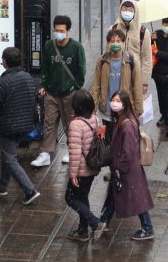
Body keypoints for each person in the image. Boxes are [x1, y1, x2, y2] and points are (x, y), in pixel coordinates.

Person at [0, 47, 40, 204]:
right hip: (25, 123)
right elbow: (33, 101)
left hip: (8, 126)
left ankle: (30, 190)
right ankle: (2, 185)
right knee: (8, 155)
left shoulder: (2, 83)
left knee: (10, 158)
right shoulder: (28, 77)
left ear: (5, 62)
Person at [32, 15, 86, 168]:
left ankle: (72, 150)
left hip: (69, 93)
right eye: (56, 30)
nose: (59, 33)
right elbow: (45, 68)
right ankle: (45, 153)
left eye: (62, 30)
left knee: (70, 123)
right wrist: (43, 85)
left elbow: (81, 70)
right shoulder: (49, 45)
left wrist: (75, 87)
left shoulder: (76, 48)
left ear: (68, 31)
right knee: (49, 123)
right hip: (51, 92)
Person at [107, 90, 155, 240]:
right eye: (113, 100)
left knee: (137, 198)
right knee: (123, 196)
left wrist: (118, 167)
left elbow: (128, 152)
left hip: (127, 168)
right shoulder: (124, 119)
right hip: (128, 168)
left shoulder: (126, 125)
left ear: (125, 104)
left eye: (118, 101)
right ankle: (102, 221)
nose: (114, 103)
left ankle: (147, 228)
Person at [65, 90, 105, 242]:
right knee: (82, 197)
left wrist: (73, 174)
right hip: (92, 167)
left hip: (81, 170)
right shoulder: (95, 119)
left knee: (70, 198)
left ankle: (95, 223)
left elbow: (75, 152)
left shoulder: (76, 125)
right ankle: (82, 231)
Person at [111, 0, 151, 113]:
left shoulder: (143, 32)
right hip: (116, 74)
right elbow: (106, 54)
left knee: (132, 107)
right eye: (124, 9)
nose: (127, 12)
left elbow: (146, 59)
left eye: (130, 10)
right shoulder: (114, 29)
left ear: (135, 12)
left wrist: (144, 81)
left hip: (135, 76)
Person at [92, 29, 138, 126]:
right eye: (112, 41)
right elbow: (96, 86)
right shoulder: (102, 61)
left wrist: (138, 110)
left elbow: (137, 86)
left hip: (124, 110)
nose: (115, 44)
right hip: (107, 110)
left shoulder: (131, 61)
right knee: (108, 138)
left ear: (123, 43)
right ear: (108, 43)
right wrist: (93, 107)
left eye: (118, 41)